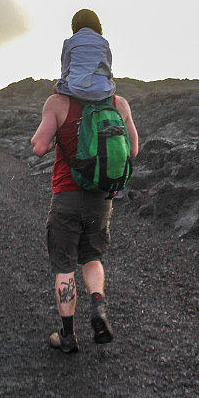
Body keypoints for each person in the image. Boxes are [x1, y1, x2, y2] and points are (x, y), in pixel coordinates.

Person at [30, 90, 139, 352]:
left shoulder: (58, 103)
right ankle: (98, 307)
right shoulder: (119, 104)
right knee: (92, 258)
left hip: (66, 197)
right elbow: (133, 151)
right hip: (100, 200)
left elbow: (39, 148)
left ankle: (67, 336)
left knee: (65, 266)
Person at [54, 8, 116, 102]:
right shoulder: (104, 42)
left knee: (56, 88)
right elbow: (108, 69)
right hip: (103, 91)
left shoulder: (70, 42)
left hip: (77, 90)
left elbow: (65, 71)